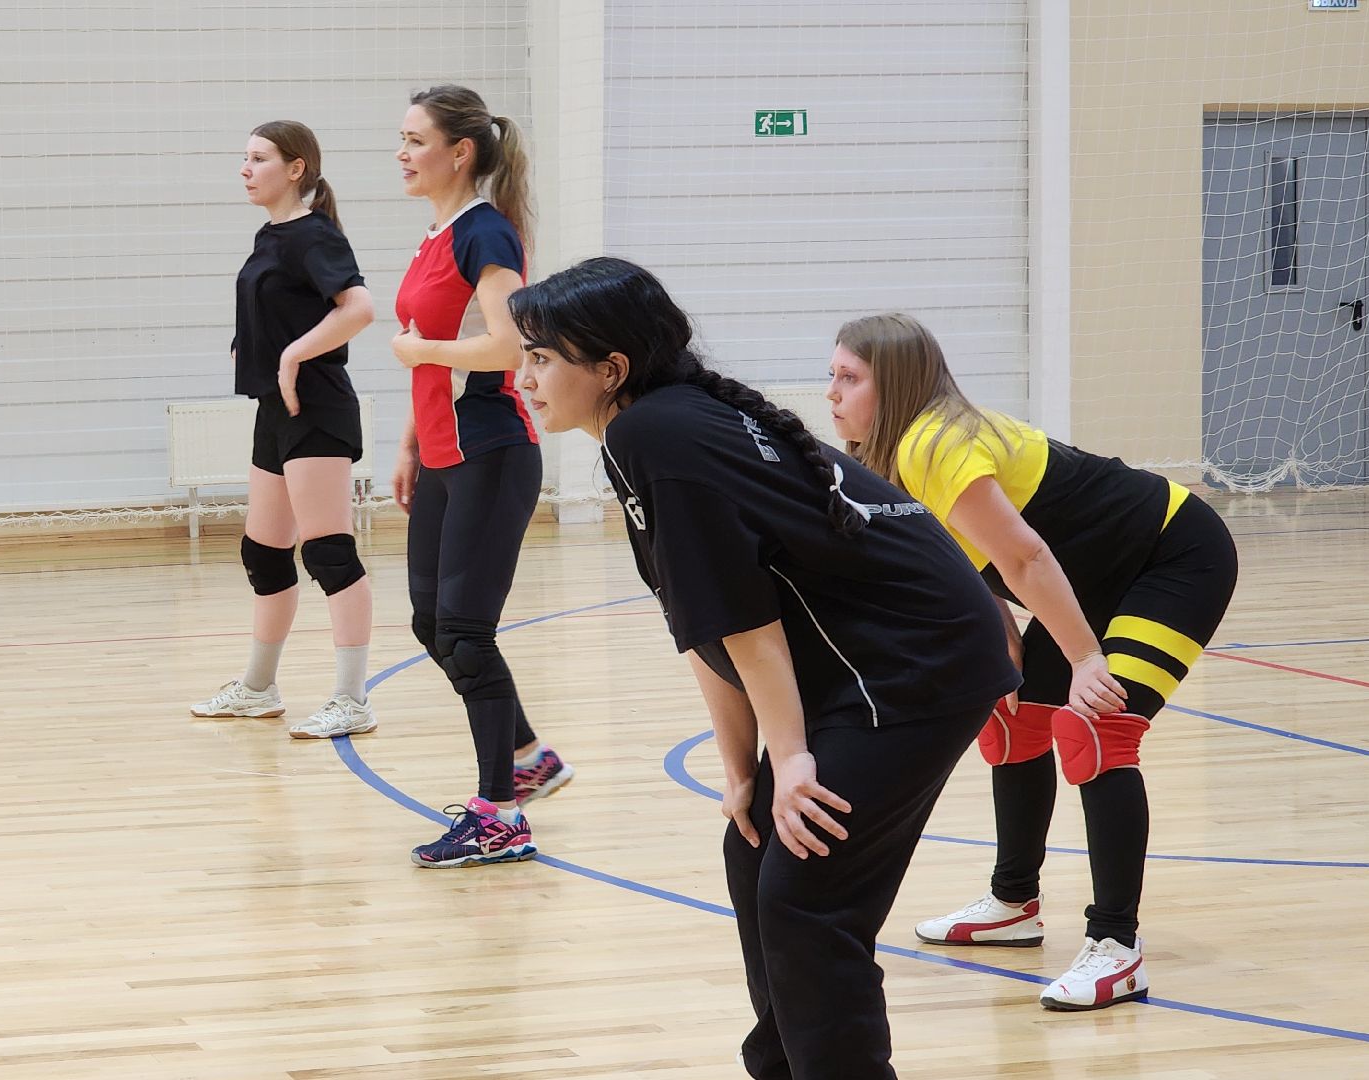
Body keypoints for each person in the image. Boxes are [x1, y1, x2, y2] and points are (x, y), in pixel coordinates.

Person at [512, 257, 1019, 1078]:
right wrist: (742, 767)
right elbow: (703, 623)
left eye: (541, 357)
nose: (523, 376)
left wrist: (791, 761)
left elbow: (750, 627)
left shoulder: (656, 434)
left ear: (610, 370)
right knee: (752, 850)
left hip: (913, 662)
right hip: (873, 656)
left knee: (808, 897)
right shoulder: (652, 428)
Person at [827, 312, 1239, 1011]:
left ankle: (1116, 948)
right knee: (1011, 711)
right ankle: (1013, 903)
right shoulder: (889, 456)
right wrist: (1000, 632)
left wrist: (1083, 658)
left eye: (849, 378)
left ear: (892, 386)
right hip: (1089, 578)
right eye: (831, 375)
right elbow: (960, 555)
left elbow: (1025, 555)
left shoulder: (933, 443)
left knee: (1097, 728)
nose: (832, 393)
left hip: (1174, 556)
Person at [391, 84, 573, 868]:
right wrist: (407, 445)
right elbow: (427, 345)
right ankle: (528, 757)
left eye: (413, 140)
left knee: (466, 632)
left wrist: (425, 355)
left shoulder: (485, 235)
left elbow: (507, 347)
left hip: (492, 450)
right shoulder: (436, 236)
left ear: (458, 153)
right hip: (442, 452)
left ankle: (500, 814)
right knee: (433, 625)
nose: (400, 154)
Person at [190, 122, 379, 739]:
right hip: (275, 408)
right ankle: (258, 687)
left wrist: (294, 354)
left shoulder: (314, 236)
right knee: (263, 554)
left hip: (315, 405)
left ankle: (352, 699)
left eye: (258, 158)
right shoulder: (270, 235)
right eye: (242, 157)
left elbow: (360, 308)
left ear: (296, 168)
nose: (245, 168)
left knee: (328, 552)